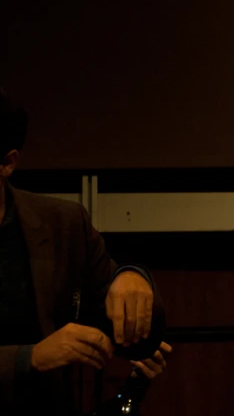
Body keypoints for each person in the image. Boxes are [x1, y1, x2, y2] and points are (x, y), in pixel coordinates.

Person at [0, 88, 171, 415]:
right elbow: (40, 354)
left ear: (7, 163)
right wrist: (30, 358)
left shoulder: (60, 222)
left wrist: (133, 277)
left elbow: (137, 328)